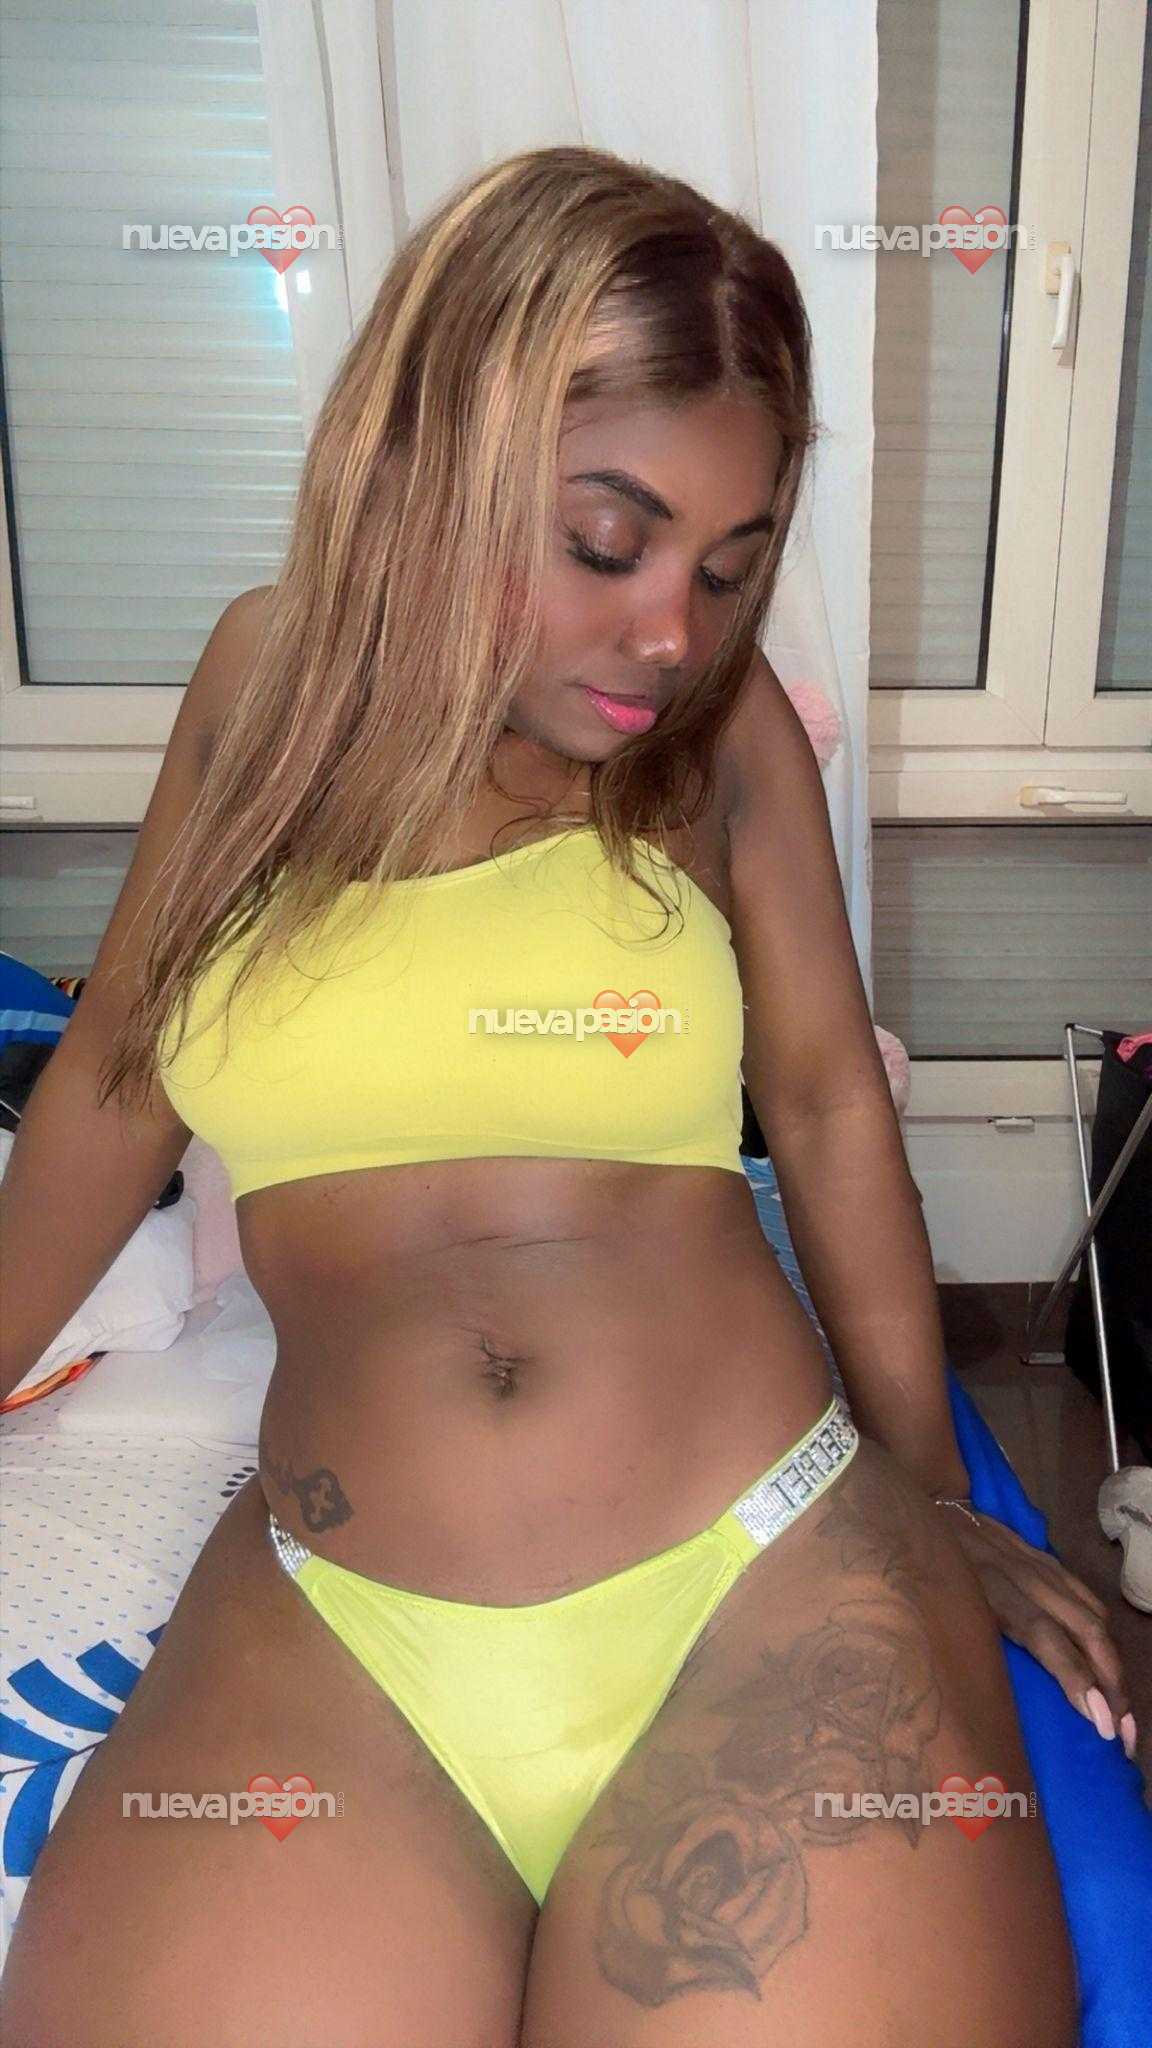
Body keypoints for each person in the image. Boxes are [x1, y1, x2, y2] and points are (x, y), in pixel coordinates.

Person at [0, 145, 1127, 2048]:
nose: (673, 632)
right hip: (345, 1612)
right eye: (610, 543)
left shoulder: (720, 738)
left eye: (728, 567)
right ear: (432, 457)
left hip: (757, 1571)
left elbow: (828, 1107)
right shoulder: (263, 685)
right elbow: (116, 1079)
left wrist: (940, 1492)